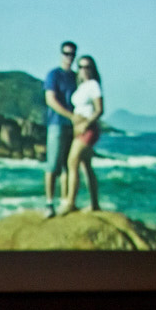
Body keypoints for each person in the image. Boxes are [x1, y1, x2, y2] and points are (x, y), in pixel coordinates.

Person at [60, 56, 104, 214]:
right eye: (81, 67)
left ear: (93, 69)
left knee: (72, 162)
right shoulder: (82, 86)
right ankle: (94, 204)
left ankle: (70, 202)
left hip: (88, 129)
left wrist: (86, 124)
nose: (84, 70)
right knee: (86, 166)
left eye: (87, 67)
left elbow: (99, 109)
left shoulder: (93, 85)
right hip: (79, 130)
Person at [42, 42, 78, 218]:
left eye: (72, 54)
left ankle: (66, 202)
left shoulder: (76, 77)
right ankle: (49, 203)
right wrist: (70, 116)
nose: (69, 57)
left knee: (68, 166)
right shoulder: (53, 75)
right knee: (53, 165)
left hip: (73, 127)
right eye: (66, 53)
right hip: (56, 124)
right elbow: (50, 100)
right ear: (61, 54)